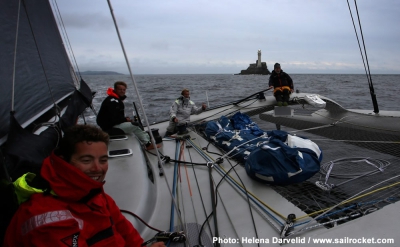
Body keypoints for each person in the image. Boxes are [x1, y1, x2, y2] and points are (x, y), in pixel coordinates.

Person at [3, 125, 165, 247]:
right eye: (86, 160)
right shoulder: (48, 220)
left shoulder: (92, 193)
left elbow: (121, 226)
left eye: (103, 160)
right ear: (64, 160)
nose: (97, 168)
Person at [97, 81, 155, 149]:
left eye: (124, 89)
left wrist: (125, 120)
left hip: (109, 126)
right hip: (109, 129)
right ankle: (148, 145)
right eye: (120, 89)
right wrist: (125, 119)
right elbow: (112, 119)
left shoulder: (113, 99)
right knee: (135, 125)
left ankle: (148, 142)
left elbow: (114, 117)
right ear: (115, 89)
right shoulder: (113, 102)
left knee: (135, 124)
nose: (122, 91)